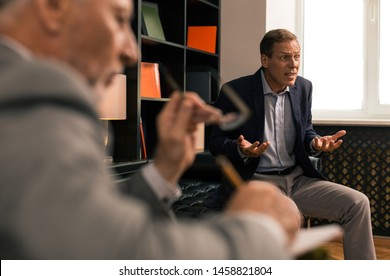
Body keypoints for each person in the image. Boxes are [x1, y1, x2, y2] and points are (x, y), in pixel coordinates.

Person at [0, 0, 303, 259]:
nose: (132, 52)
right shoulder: (31, 95)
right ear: (54, 6)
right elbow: (124, 254)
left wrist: (164, 170)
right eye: (119, 19)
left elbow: (81, 222)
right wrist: (261, 229)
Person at [207, 28, 376, 260]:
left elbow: (306, 131)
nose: (294, 64)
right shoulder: (236, 91)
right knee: (291, 216)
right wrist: (240, 149)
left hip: (298, 180)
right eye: (285, 57)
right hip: (260, 182)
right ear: (265, 60)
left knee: (358, 203)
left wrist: (316, 144)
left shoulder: (303, 88)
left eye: (297, 56)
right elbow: (215, 142)